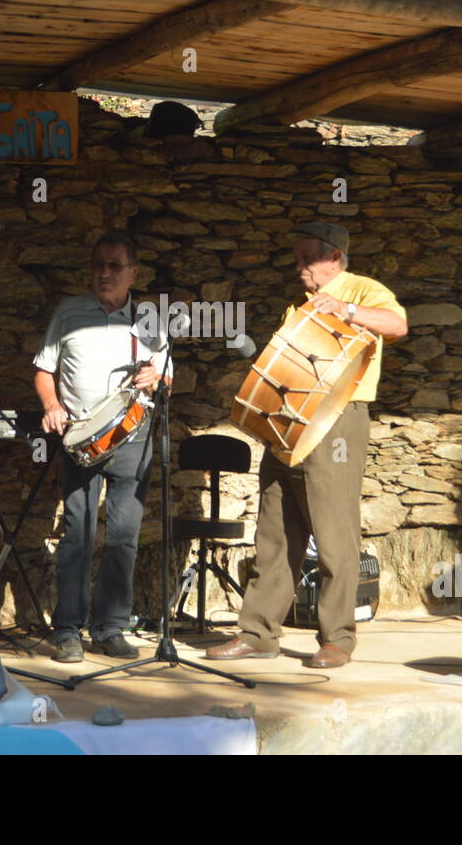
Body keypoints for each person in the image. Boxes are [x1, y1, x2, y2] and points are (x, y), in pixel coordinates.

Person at [207, 222, 407, 669]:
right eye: (296, 258)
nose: (298, 267)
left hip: (338, 420)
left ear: (334, 258)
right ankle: (258, 632)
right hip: (289, 425)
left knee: (334, 531)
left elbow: (398, 324)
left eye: (306, 258)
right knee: (275, 530)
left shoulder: (363, 289)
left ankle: (337, 638)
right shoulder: (297, 306)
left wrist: (347, 310)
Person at [33, 231, 169, 663]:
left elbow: (168, 373)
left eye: (114, 266)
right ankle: (68, 630)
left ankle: (111, 627)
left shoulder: (149, 319)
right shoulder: (69, 310)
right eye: (98, 265)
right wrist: (52, 405)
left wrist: (158, 378)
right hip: (80, 438)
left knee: (124, 536)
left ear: (134, 273)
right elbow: (42, 368)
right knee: (77, 533)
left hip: (134, 436)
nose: (104, 273)